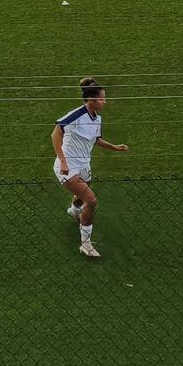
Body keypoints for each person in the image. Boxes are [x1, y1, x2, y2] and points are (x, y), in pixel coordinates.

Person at [52, 78, 128, 258]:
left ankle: (74, 211)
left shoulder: (97, 119)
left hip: (84, 164)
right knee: (91, 200)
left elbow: (96, 139)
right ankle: (85, 244)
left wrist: (115, 147)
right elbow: (56, 132)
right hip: (68, 165)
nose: (105, 101)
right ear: (92, 100)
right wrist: (62, 160)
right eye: (102, 98)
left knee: (81, 195)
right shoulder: (77, 115)